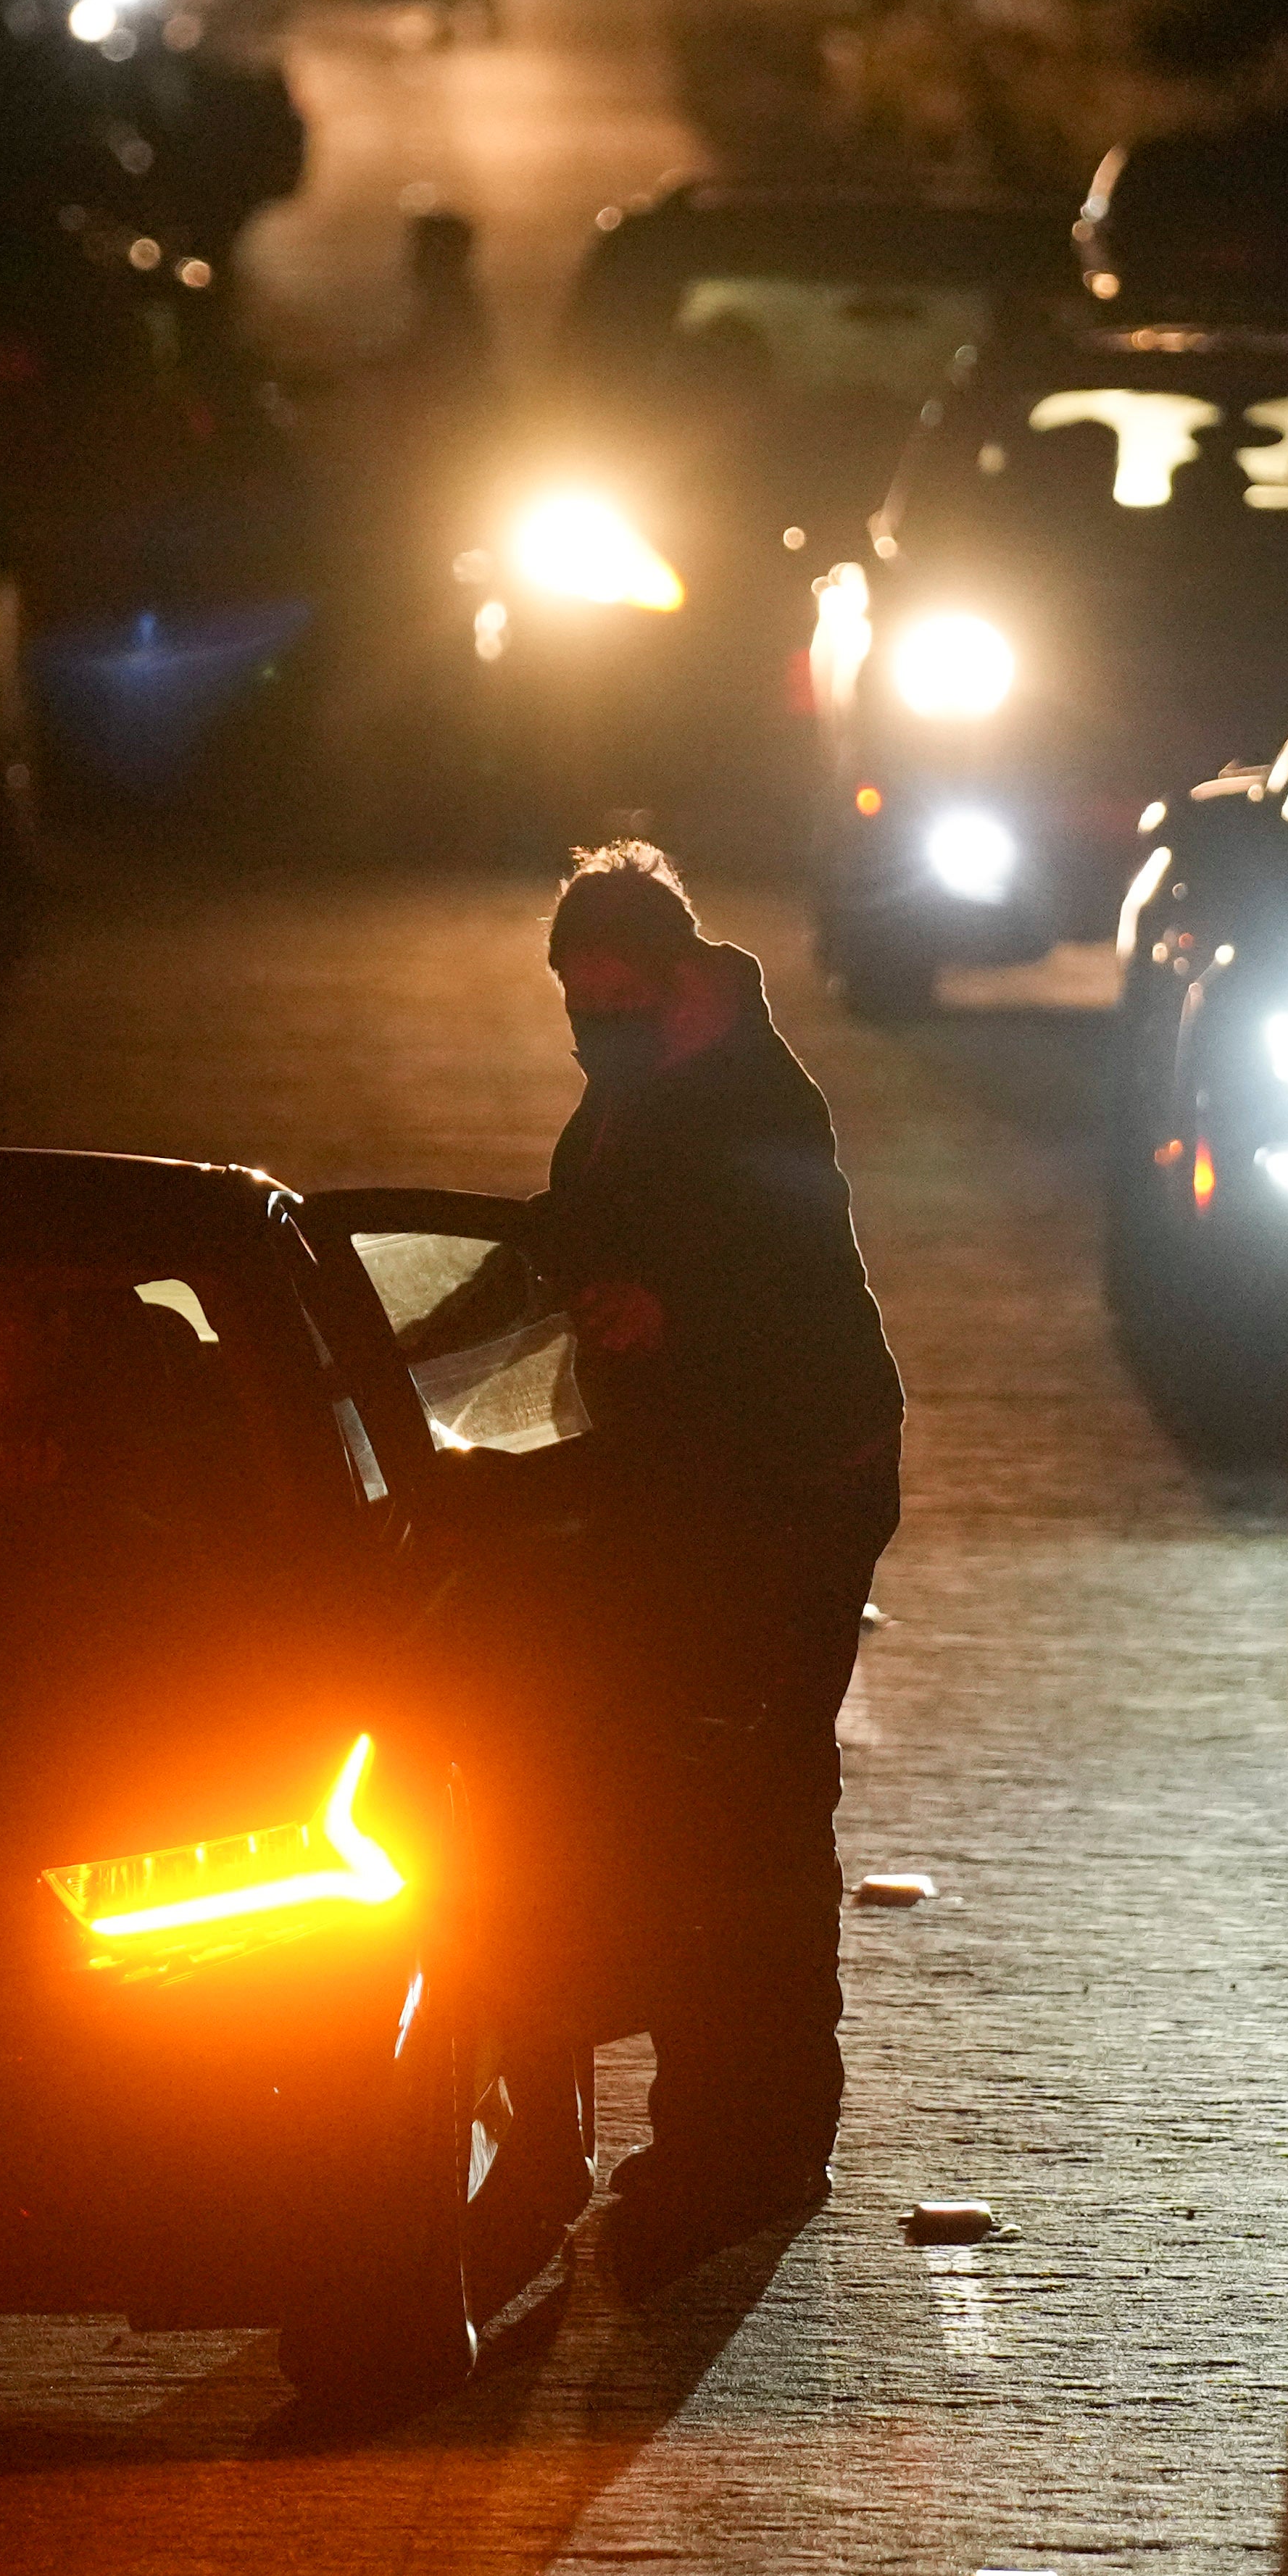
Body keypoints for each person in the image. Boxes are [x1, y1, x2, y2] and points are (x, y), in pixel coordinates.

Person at [523, 841, 905, 2241]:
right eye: (574, 999)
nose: (590, 1023)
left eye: (611, 995)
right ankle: (715, 2129)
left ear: (676, 977)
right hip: (709, 1490)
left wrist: (667, 1319)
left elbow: (786, 1295)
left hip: (795, 1489)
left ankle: (763, 2140)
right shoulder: (642, 1087)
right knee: (706, 1811)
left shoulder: (752, 1100)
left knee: (756, 1812)